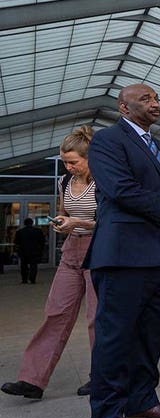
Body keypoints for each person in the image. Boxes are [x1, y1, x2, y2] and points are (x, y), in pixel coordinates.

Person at [84, 83, 160, 418]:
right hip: (123, 254)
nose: (155, 104)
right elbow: (120, 188)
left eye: (157, 98)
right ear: (124, 107)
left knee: (150, 334)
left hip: (159, 256)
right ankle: (105, 415)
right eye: (145, 99)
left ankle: (142, 401)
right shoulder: (107, 141)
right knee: (116, 337)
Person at [1, 127, 98, 400]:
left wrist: (77, 222)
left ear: (90, 158)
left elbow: (110, 222)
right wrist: (62, 223)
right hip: (71, 250)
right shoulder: (64, 182)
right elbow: (63, 212)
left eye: (73, 162)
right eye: (64, 161)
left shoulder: (104, 182)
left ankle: (101, 376)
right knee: (56, 313)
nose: (68, 167)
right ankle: (32, 379)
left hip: (99, 249)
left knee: (97, 318)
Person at [14, 218, 44, 284]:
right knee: (33, 266)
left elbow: (16, 243)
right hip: (35, 251)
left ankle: (24, 279)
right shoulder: (38, 231)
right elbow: (42, 242)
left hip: (23, 252)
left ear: (24, 223)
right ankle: (32, 279)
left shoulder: (20, 232)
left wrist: (17, 251)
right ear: (32, 223)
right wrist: (40, 250)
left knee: (24, 266)